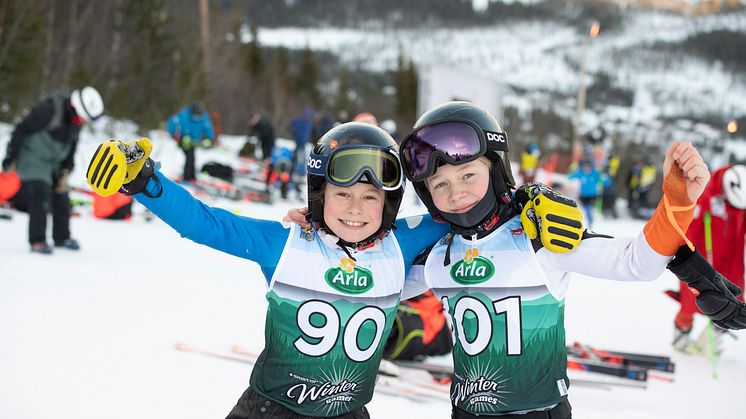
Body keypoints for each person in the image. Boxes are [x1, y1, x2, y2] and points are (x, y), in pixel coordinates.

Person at [87, 121, 582, 419]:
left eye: (371, 198)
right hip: (270, 409)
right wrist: (146, 182)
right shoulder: (285, 245)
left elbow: (468, 204)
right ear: (319, 195)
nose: (355, 209)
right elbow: (208, 225)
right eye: (342, 195)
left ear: (388, 207)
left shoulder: (403, 241)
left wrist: (532, 201)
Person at [397, 101, 711, 418]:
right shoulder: (438, 255)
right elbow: (373, 290)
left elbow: (636, 263)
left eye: (468, 175)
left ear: (495, 170)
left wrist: (678, 200)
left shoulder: (538, 237)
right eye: (440, 184)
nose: (456, 193)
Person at [2, 86, 104, 254]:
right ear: (78, 108)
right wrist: (11, 156)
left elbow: (72, 146)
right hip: (31, 158)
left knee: (62, 195)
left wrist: (66, 168)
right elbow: (21, 129)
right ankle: (38, 240)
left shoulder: (75, 122)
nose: (85, 122)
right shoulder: (49, 109)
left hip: (53, 163)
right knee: (41, 193)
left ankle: (62, 237)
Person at [670, 164, 746, 355]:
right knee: (692, 299)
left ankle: (713, 338)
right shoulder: (704, 194)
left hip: (731, 258)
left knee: (732, 299)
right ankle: (681, 333)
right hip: (703, 258)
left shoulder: (740, 201)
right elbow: (688, 230)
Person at [166, 101, 214, 181]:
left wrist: (209, 139)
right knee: (190, 156)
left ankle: (191, 176)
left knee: (192, 157)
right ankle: (187, 177)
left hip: (194, 141)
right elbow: (172, 122)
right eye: (195, 115)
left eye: (198, 115)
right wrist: (173, 134)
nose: (196, 117)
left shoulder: (204, 117)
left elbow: (208, 128)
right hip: (184, 139)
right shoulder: (184, 114)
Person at [568, 157, 601, 228]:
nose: (587, 168)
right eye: (585, 166)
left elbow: (602, 180)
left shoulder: (595, 173)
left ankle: (590, 220)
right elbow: (570, 177)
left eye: (588, 166)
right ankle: (589, 219)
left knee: (589, 209)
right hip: (583, 195)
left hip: (593, 195)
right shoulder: (580, 172)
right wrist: (573, 169)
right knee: (586, 209)